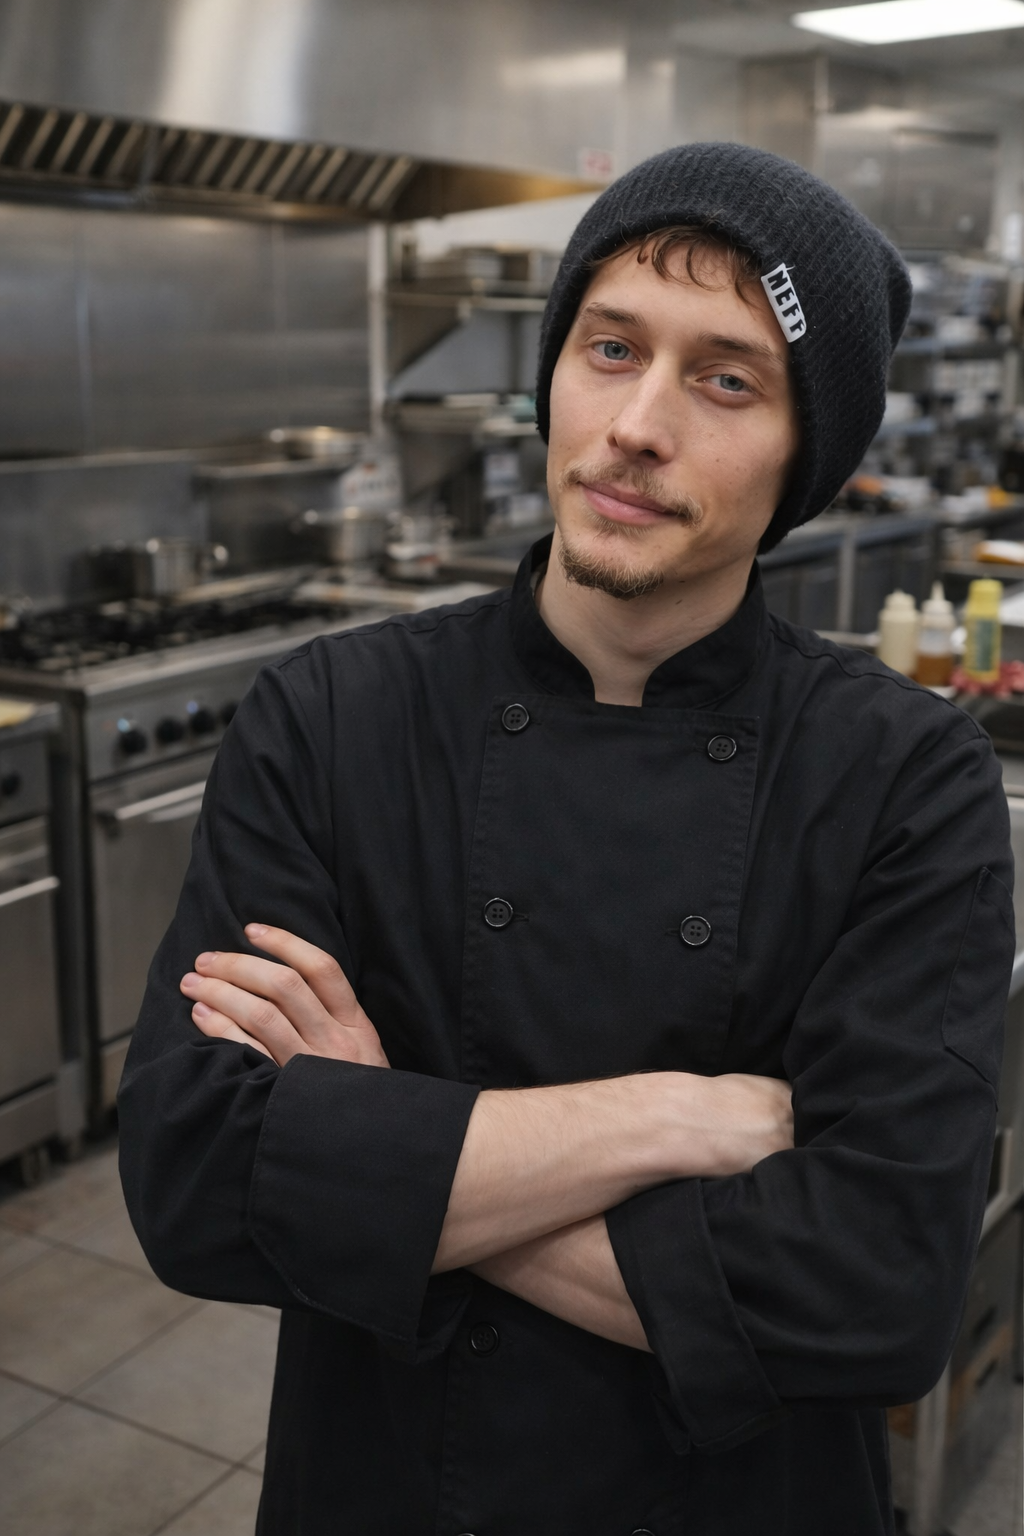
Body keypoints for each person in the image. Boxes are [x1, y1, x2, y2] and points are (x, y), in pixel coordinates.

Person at [118, 143, 1015, 1536]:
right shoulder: (333, 717)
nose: (639, 423)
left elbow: (877, 1294)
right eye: (610, 347)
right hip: (385, 1492)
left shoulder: (905, 780)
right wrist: (673, 1117)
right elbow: (191, 1182)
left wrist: (372, 1137)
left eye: (726, 378)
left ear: (808, 453)